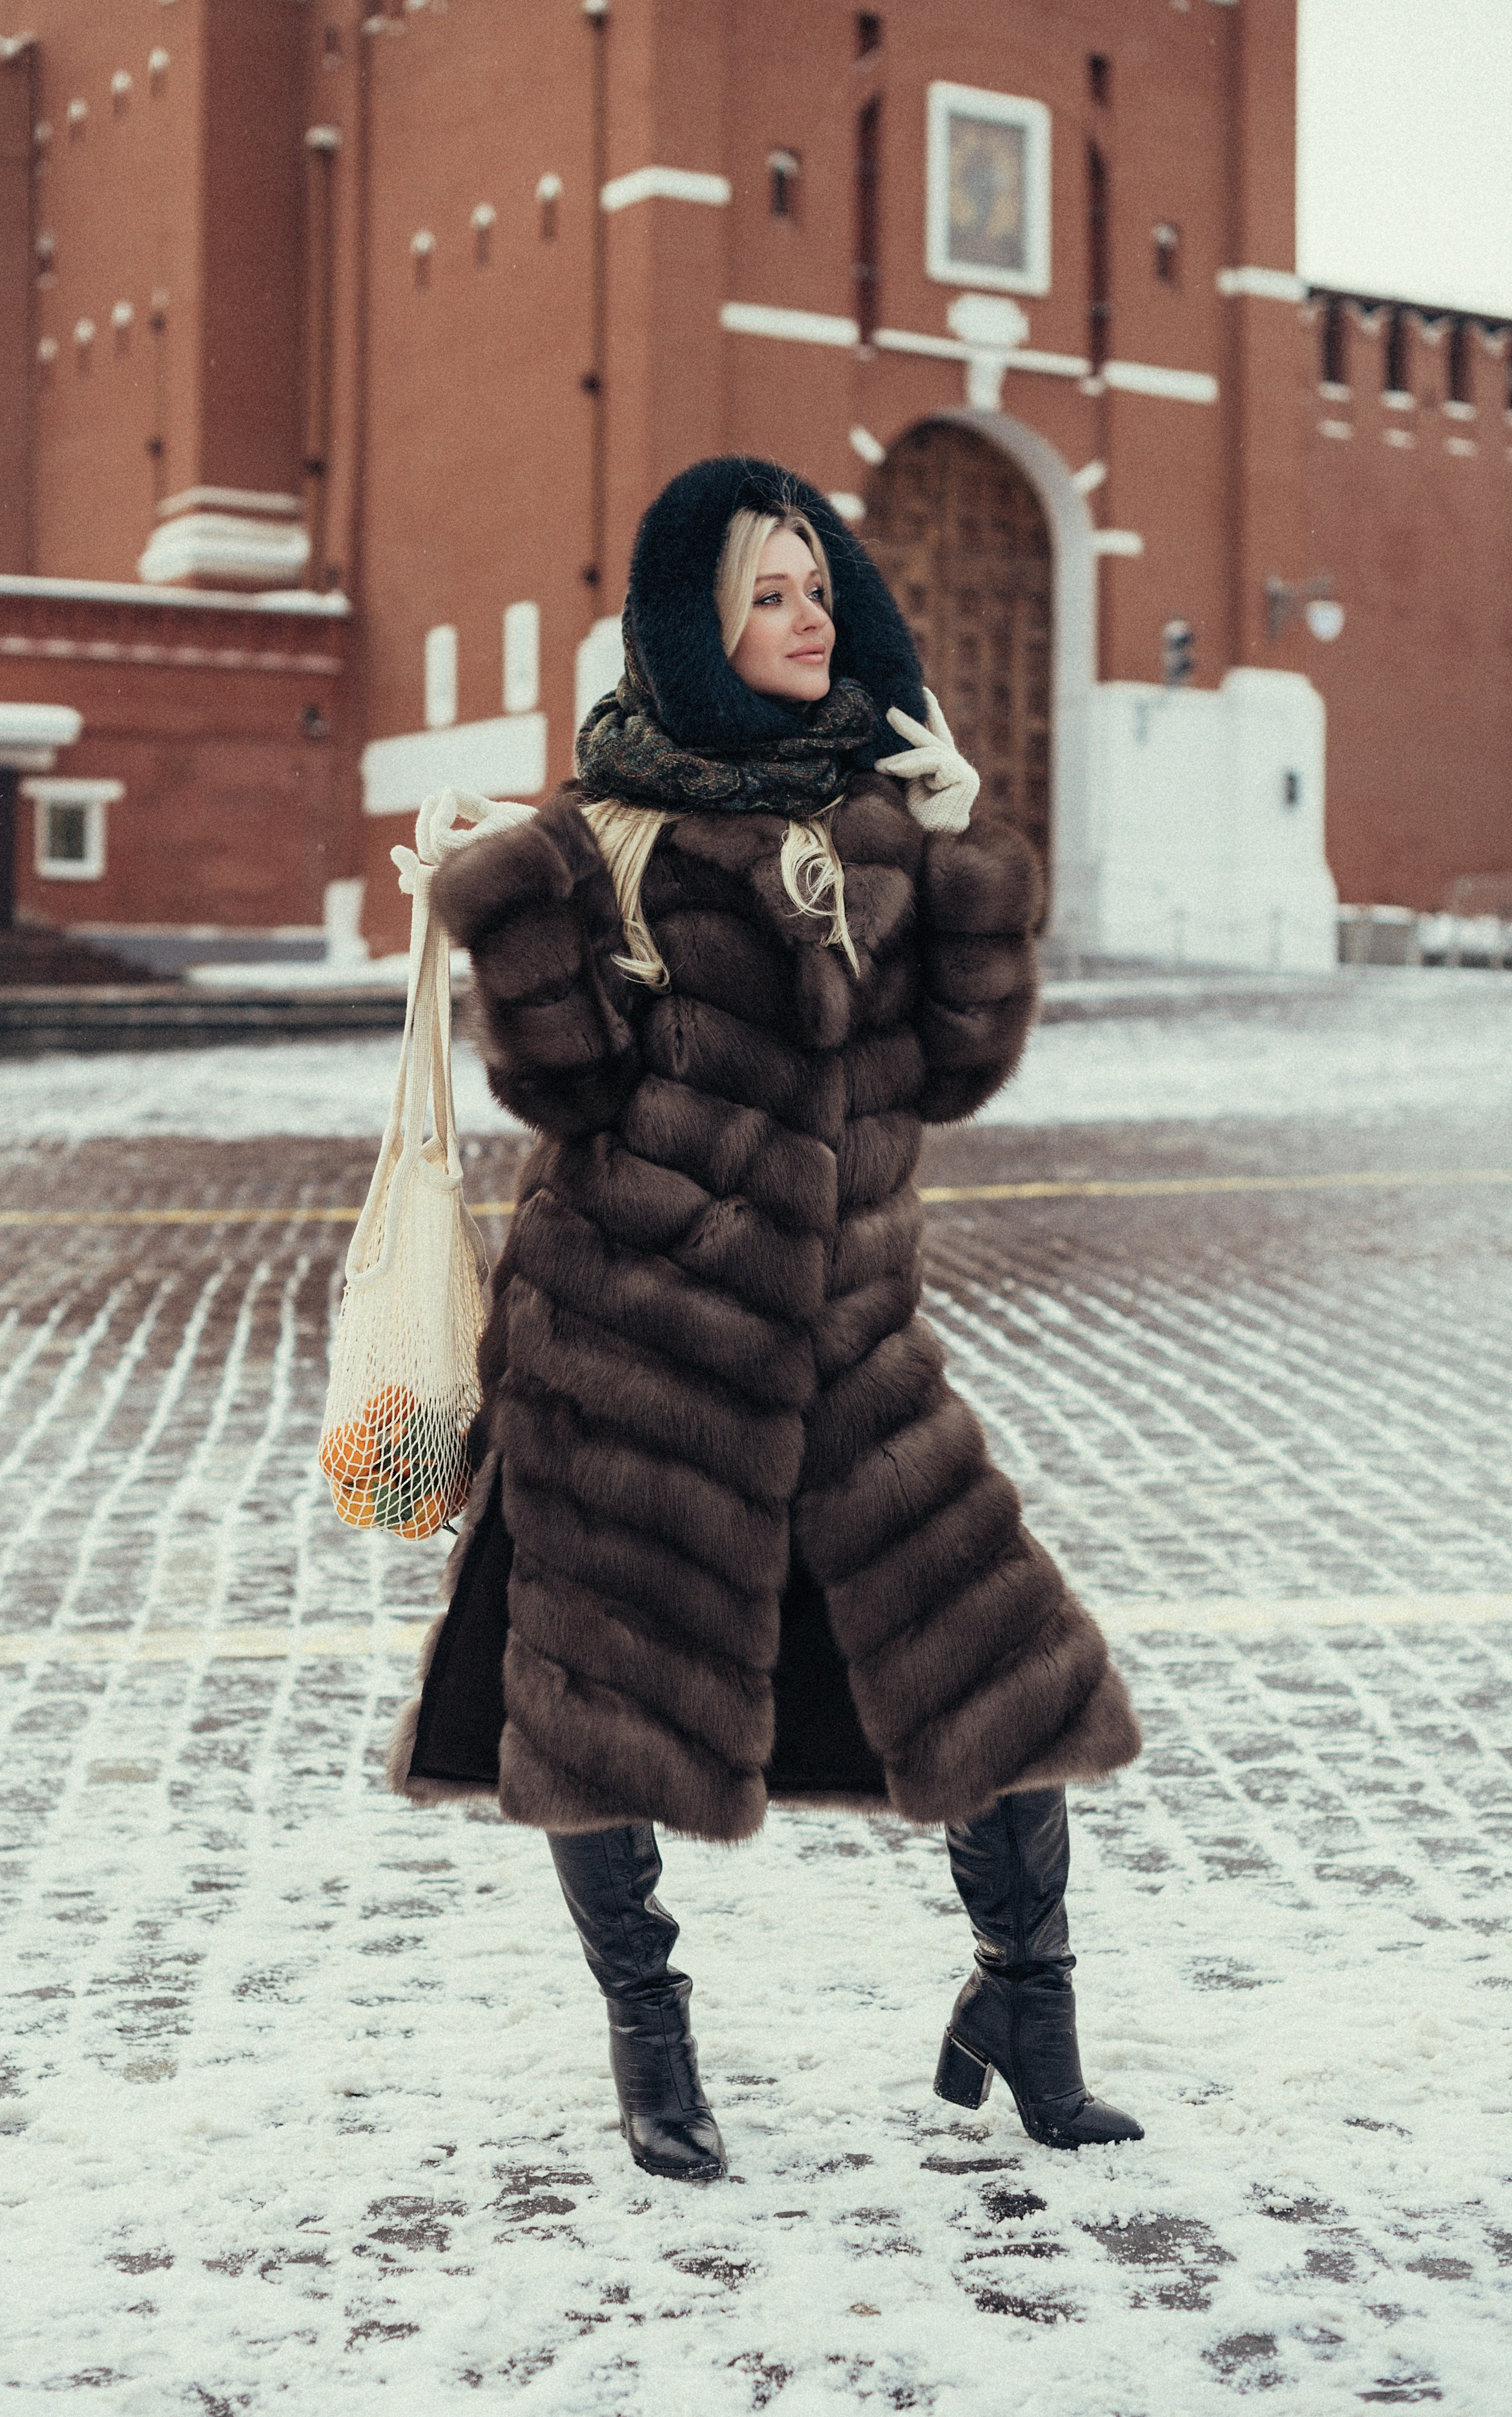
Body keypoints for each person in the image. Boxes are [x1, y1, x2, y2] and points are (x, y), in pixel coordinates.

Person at [388, 457, 1143, 2182]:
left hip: (853, 1354)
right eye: (772, 596)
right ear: (698, 626)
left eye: (820, 589)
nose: (813, 621)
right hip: (634, 1357)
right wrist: (515, 915)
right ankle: (651, 2045)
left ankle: (1025, 2010)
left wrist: (965, 857)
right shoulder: (606, 837)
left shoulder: (877, 821)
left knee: (1003, 1678)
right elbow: (569, 1093)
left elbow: (952, 1069)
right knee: (600, 1712)